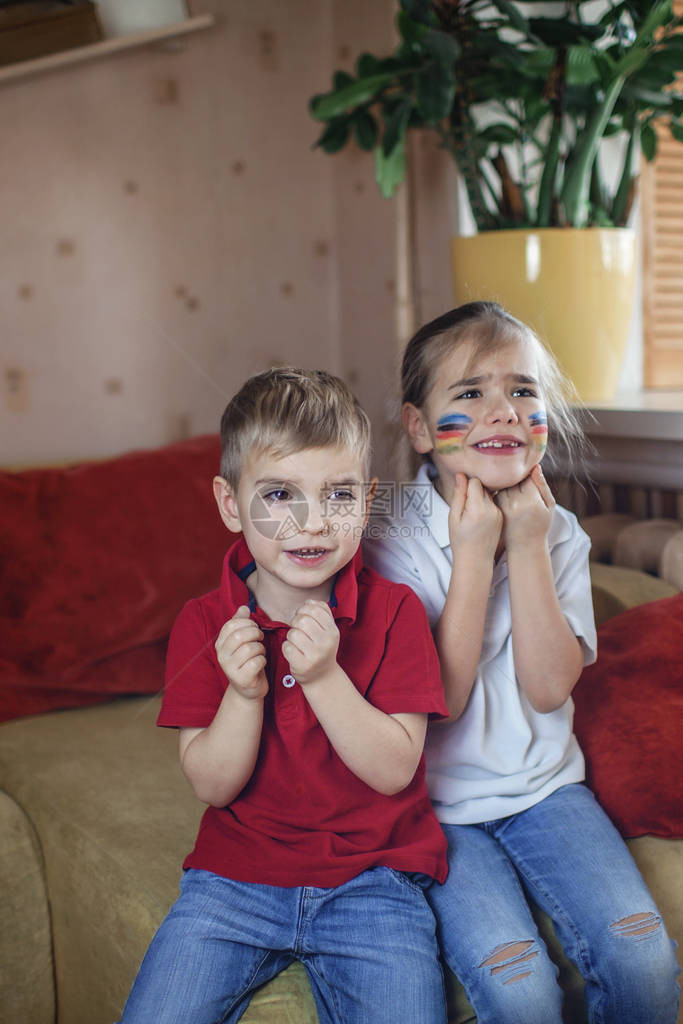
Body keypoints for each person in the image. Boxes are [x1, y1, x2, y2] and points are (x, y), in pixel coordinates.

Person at [364, 302, 680, 1024]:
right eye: (469, 393)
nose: (500, 411)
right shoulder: (391, 542)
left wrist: (529, 545)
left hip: (546, 791)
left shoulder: (557, 532)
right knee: (520, 989)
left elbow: (546, 690)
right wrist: (474, 554)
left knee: (641, 961)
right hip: (434, 810)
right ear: (417, 426)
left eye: (522, 390)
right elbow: (436, 698)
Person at [117, 367, 450, 1024]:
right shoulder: (203, 623)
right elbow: (212, 785)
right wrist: (242, 695)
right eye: (278, 494)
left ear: (368, 499)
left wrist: (325, 679)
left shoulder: (394, 613)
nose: (311, 521)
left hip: (373, 882)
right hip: (233, 881)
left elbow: (393, 770)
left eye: (338, 494)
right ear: (230, 503)